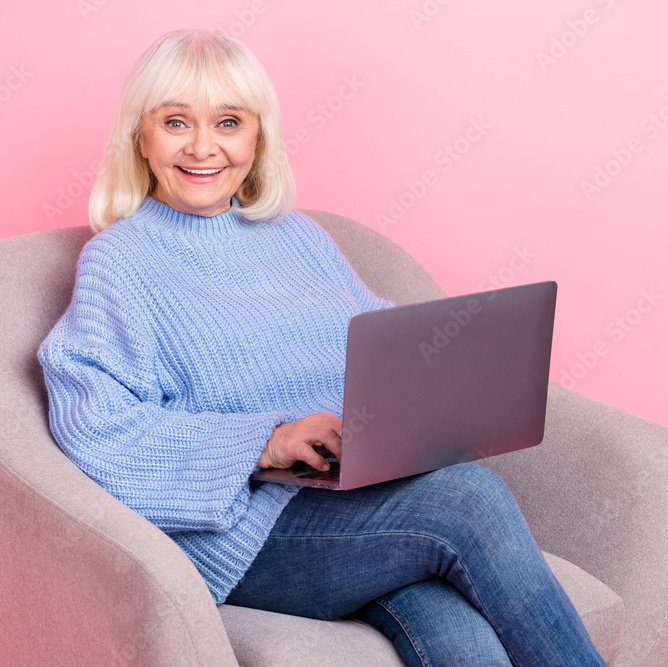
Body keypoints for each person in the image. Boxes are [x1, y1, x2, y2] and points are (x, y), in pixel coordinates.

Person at [36, 28, 607, 666]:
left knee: (462, 637)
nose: (203, 146)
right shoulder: (120, 263)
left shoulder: (296, 235)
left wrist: (445, 386)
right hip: (251, 533)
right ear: (138, 136)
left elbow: (377, 336)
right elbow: (98, 433)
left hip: (358, 500)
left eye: (228, 121)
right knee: (471, 499)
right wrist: (266, 440)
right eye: (175, 122)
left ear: (257, 137)